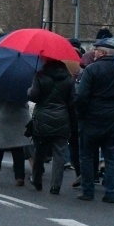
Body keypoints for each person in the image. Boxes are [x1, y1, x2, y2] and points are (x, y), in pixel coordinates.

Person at [73, 39, 114, 202]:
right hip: (113, 120)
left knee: (86, 155)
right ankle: (111, 193)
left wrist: (81, 114)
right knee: (112, 157)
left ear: (103, 53)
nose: (94, 52)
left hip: (91, 119)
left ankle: (88, 190)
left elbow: (81, 96)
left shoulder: (91, 71)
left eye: (97, 50)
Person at [28, 59, 77, 194]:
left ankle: (37, 179)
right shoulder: (68, 79)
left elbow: (34, 96)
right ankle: (56, 185)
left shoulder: (40, 76)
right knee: (59, 152)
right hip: (62, 118)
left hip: (42, 117)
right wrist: (73, 122)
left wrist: (29, 90)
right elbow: (72, 102)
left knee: (39, 151)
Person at [0, 97, 31, 187]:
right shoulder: (22, 86)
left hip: (0, 116)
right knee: (18, 148)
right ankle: (20, 177)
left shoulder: (0, 86)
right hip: (19, 117)